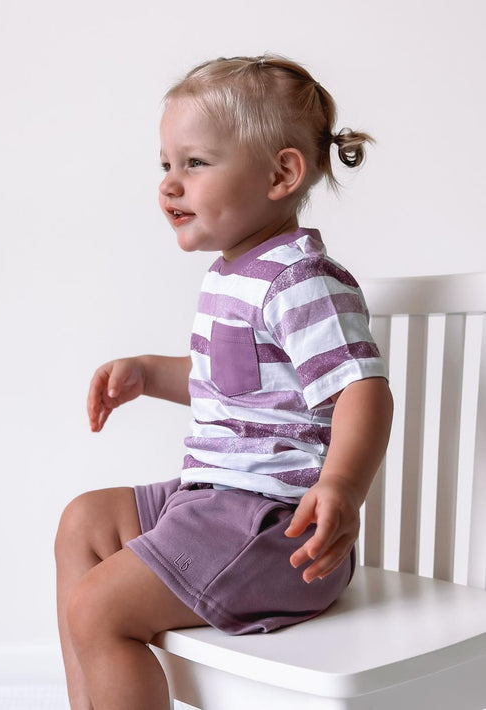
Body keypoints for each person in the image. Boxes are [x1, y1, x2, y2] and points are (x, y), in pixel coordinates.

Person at [55, 54, 393, 710]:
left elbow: (362, 389)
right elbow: (230, 383)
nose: (170, 184)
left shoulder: (300, 279)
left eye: (195, 163)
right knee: (83, 522)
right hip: (212, 504)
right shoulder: (234, 273)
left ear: (280, 174)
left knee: (97, 608)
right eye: (165, 164)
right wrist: (148, 373)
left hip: (276, 530)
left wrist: (341, 486)